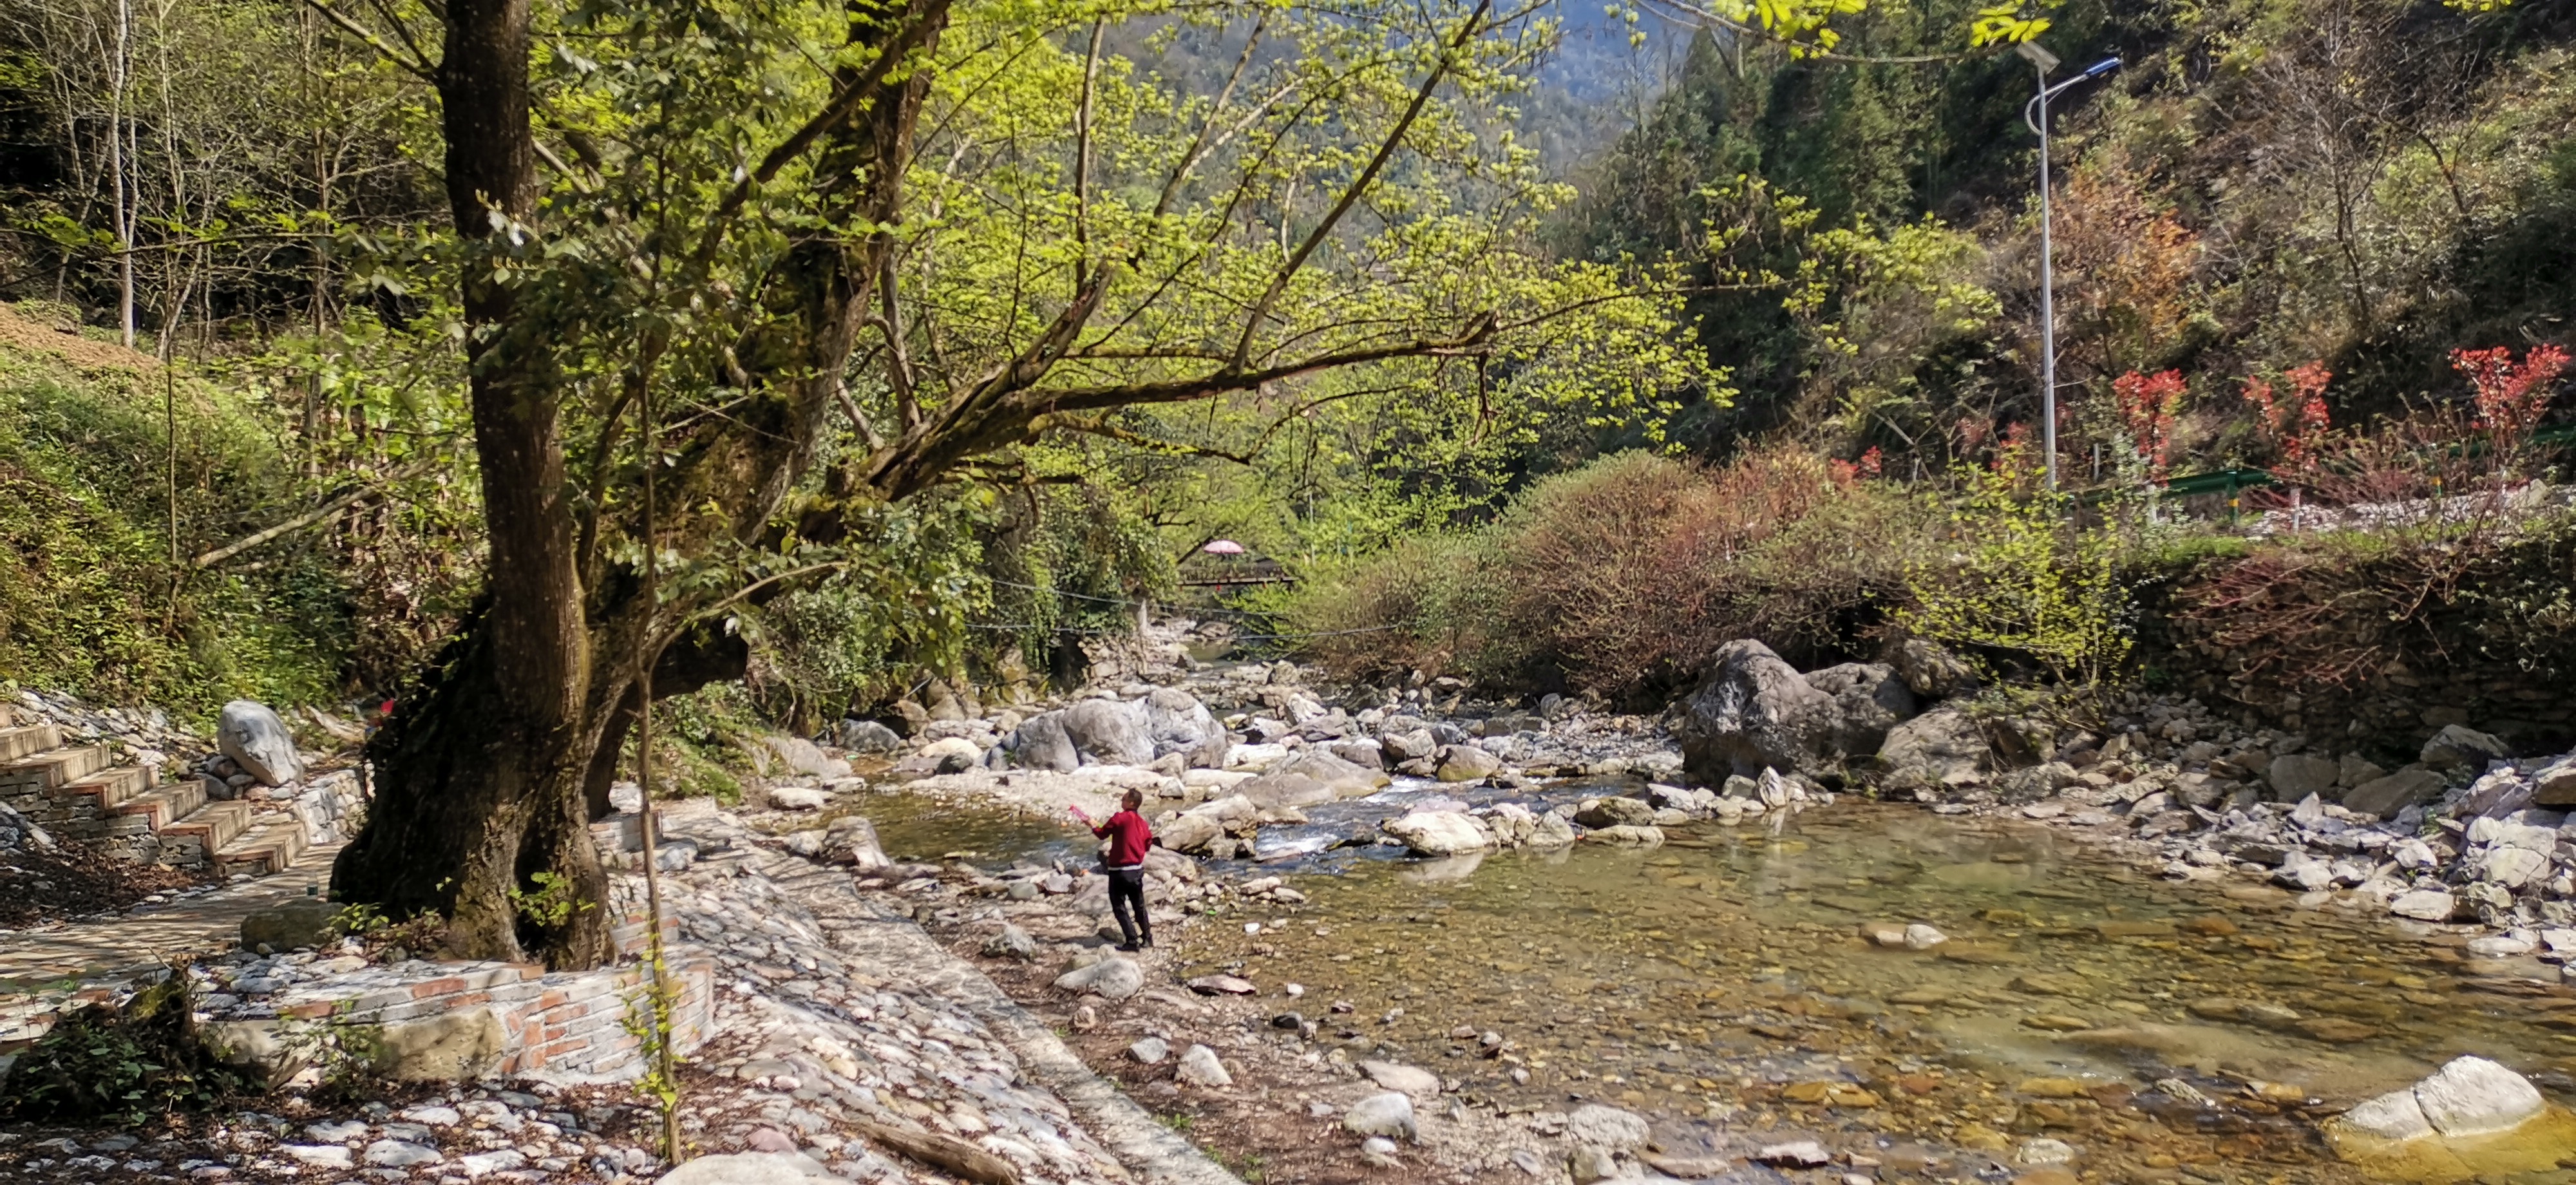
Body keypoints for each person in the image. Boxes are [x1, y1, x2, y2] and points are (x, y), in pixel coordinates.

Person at [1069, 791, 1155, 951]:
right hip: (1136, 870)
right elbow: (1148, 843)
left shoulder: (1120, 818)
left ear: (1131, 803)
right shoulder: (1142, 823)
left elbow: (1103, 834)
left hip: (1119, 871)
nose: (1121, 801)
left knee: (1119, 906)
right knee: (1139, 905)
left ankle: (1132, 941)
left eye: (1124, 799)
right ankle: (1147, 938)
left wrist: (1092, 824)